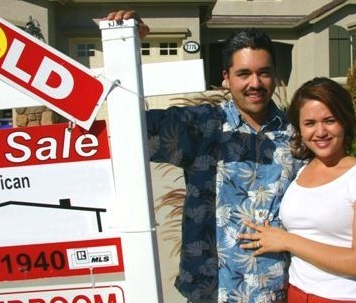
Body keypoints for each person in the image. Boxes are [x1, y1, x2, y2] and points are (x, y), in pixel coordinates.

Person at [106, 11, 302, 303]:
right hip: (211, 291)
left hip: (280, 289)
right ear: (226, 77)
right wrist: (127, 47)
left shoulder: (297, 135)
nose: (255, 83)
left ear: (274, 75)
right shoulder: (202, 126)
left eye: (264, 72)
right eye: (244, 73)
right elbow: (132, 131)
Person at [238, 77, 356, 303]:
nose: (320, 131)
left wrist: (287, 241)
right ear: (299, 128)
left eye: (329, 120)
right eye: (309, 123)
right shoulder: (302, 171)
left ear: (345, 121)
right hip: (299, 293)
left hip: (350, 298)